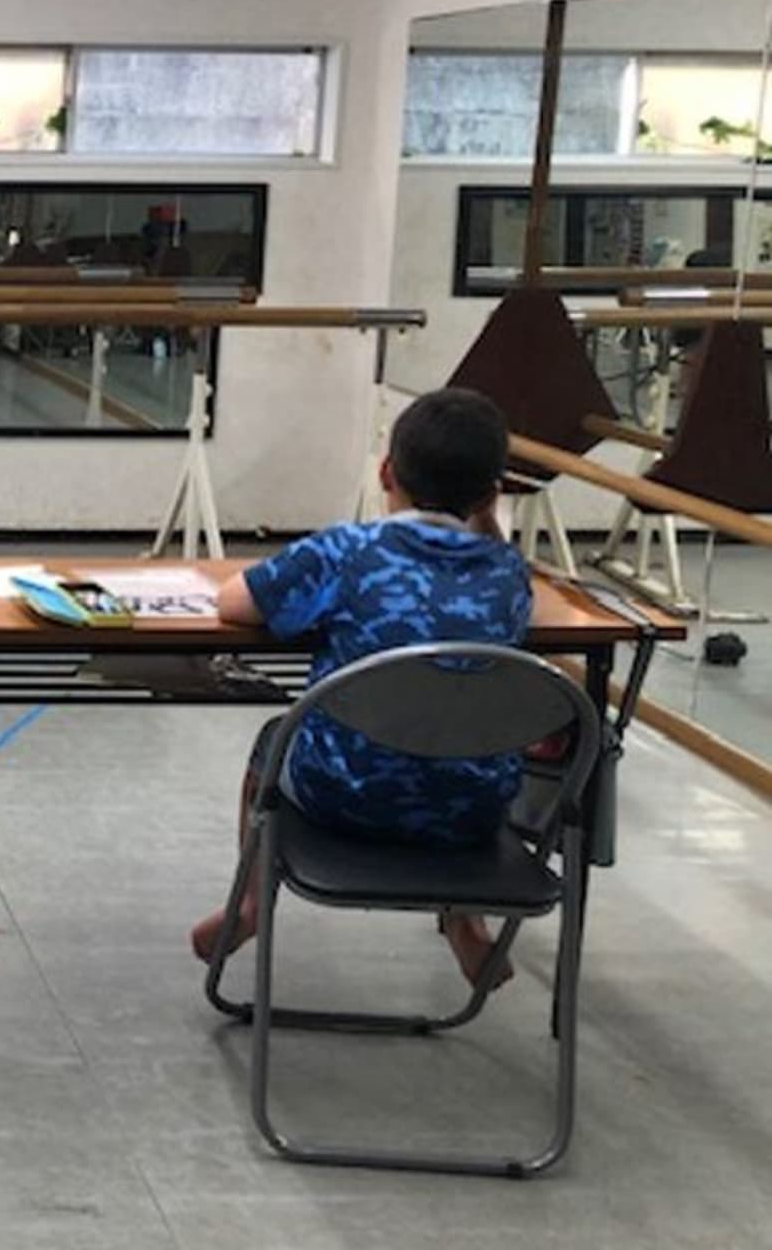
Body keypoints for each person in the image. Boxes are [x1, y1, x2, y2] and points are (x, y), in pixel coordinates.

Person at [188, 387, 533, 990]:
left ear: (386, 473)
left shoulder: (348, 552)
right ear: (491, 496)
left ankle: (250, 905)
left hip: (345, 795)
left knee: (273, 740)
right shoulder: (508, 575)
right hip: (471, 809)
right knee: (449, 730)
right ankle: (466, 921)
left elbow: (235, 603)